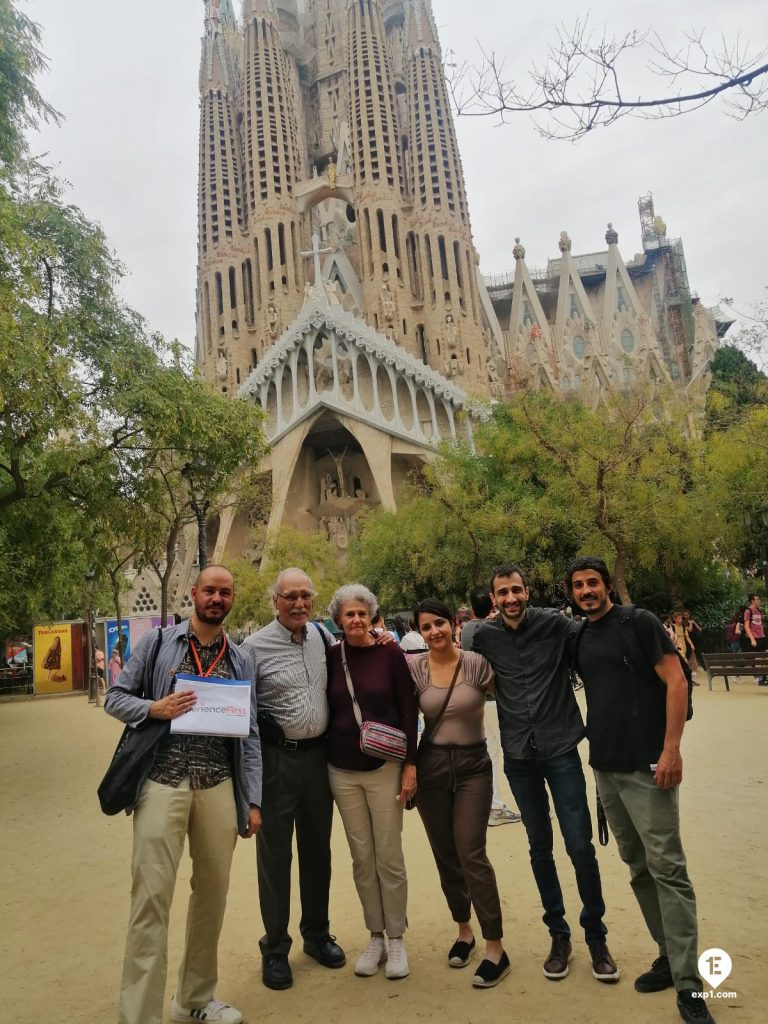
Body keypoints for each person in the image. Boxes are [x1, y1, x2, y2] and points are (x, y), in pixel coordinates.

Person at [104, 565, 261, 1024]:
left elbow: (249, 734)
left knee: (212, 895)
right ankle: (139, 1014)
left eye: (225, 592)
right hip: (162, 783)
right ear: (194, 594)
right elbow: (116, 696)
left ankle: (193, 999)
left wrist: (252, 800)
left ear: (232, 600)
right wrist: (154, 707)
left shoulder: (240, 658)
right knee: (151, 898)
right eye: (209, 590)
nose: (216, 598)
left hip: (217, 786)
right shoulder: (158, 644)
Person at [566, 556, 715, 1024]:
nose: (587, 590)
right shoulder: (581, 636)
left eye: (593, 582)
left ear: (607, 585)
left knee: (667, 867)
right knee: (638, 867)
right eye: (578, 585)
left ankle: (689, 983)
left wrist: (672, 749)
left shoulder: (640, 622)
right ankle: (668, 957)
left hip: (650, 765)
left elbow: (676, 681)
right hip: (606, 767)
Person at [469, 563, 618, 983]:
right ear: (493, 599)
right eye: (503, 593)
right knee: (539, 849)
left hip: (561, 749)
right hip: (519, 756)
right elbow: (452, 664)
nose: (511, 598)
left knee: (580, 847)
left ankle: (596, 936)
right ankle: (559, 934)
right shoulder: (483, 637)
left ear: (526, 590)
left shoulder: (556, 626)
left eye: (516, 590)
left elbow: (598, 643)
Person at [241, 568, 346, 991]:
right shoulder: (252, 648)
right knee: (275, 857)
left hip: (319, 760)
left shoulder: (322, 638)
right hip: (277, 763)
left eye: (305, 596)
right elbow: (243, 716)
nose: (299, 603)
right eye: (290, 597)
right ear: (275, 601)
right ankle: (275, 948)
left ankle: (317, 935)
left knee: (318, 851)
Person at [409, 598, 510, 987]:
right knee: (446, 854)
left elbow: (512, 694)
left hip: (472, 766)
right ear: (419, 631)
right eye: (426, 626)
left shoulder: (476, 664)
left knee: (471, 852)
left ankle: (495, 947)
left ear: (453, 624)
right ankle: (463, 930)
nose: (434, 631)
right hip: (432, 766)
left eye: (440, 623)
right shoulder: (415, 668)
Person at [326, 584, 419, 979]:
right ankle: (375, 934)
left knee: (389, 853)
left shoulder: (390, 653)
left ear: (373, 616)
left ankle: (396, 937)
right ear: (338, 620)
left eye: (363, 613)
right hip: (342, 770)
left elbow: (408, 706)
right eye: (349, 614)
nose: (357, 620)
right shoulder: (330, 657)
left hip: (384, 767)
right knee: (361, 856)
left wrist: (410, 765)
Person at [461, 585, 521, 828]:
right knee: (513, 753)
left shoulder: (465, 630)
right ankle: (516, 805)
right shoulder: (495, 628)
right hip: (498, 700)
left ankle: (494, 805)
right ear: (492, 601)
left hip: (477, 702)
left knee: (491, 754)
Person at [742, 593, 767, 684]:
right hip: (754, 638)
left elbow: (760, 624)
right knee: (758, 658)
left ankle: (764, 677)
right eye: (757, 599)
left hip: (762, 637)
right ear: (752, 600)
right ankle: (760, 678)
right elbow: (746, 626)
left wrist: (763, 634)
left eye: (759, 599)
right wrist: (752, 639)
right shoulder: (748, 611)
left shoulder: (759, 611)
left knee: (765, 657)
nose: (759, 601)